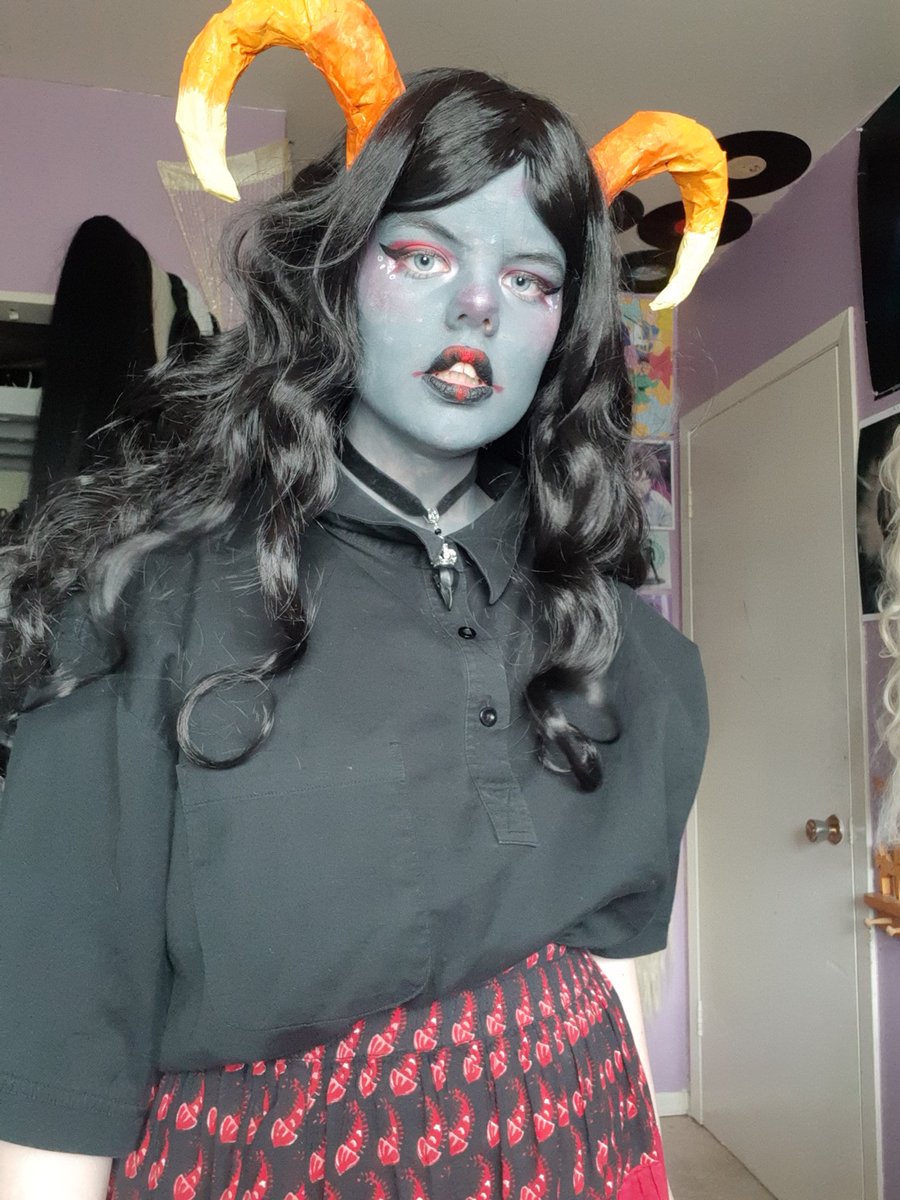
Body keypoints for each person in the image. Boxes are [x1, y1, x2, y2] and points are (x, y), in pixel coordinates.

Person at [0, 41, 714, 1200]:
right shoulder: (144, 603)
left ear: (563, 331)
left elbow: (616, 963)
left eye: (530, 280)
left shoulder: (625, 642)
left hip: (589, 1144)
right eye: (425, 253)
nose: (477, 303)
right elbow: (59, 1048)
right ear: (336, 275)